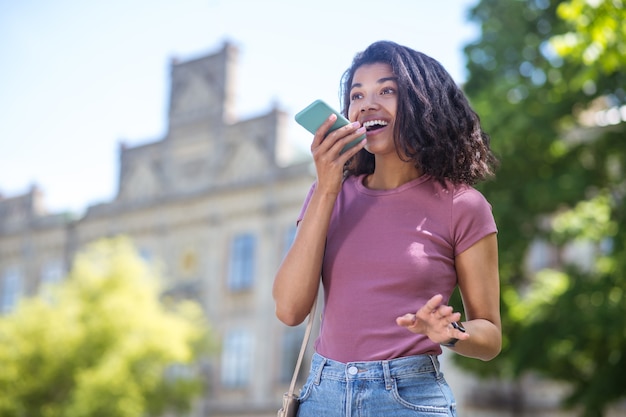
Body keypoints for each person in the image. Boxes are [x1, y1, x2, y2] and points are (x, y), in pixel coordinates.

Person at [273, 40, 501, 417]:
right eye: (357, 94)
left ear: (424, 102)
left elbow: (490, 335)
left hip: (409, 398)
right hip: (322, 396)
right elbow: (289, 309)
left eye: (387, 90)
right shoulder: (328, 194)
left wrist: (449, 334)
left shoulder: (463, 205)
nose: (366, 103)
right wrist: (328, 186)